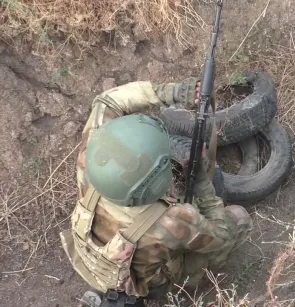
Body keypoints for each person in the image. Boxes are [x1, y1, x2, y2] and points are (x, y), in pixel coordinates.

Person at [59, 78, 252, 307]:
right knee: (238, 218)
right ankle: (178, 291)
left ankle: (101, 293)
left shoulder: (89, 165)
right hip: (144, 284)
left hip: (91, 265)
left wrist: (171, 91)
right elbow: (219, 236)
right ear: (157, 180)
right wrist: (201, 179)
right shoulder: (173, 221)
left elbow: (107, 100)